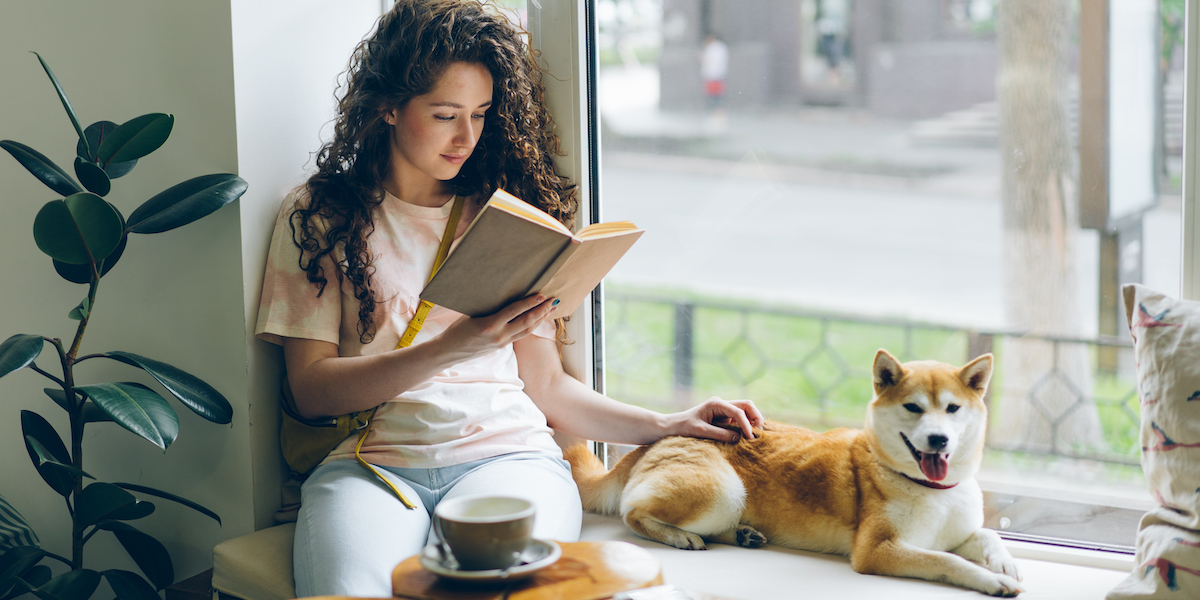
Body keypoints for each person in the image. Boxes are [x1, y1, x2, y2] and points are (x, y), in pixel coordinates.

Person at [253, 1, 764, 597]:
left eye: (481, 113)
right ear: (388, 106)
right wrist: (450, 348)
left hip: (510, 457)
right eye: (445, 114)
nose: (466, 136)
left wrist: (666, 423)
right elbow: (310, 391)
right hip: (371, 465)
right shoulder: (321, 217)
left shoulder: (504, 219)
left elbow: (546, 388)